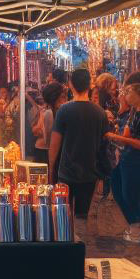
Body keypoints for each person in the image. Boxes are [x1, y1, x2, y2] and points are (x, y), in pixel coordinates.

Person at [49, 69, 109, 220]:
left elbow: (55, 143)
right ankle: (82, 241)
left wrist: (51, 168)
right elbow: (104, 145)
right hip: (90, 171)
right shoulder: (100, 113)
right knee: (82, 215)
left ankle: (68, 241)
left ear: (71, 85)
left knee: (63, 214)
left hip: (67, 171)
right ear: (89, 85)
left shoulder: (64, 110)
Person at [106, 82, 140, 244]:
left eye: (128, 92)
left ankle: (136, 229)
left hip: (137, 160)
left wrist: (117, 138)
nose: (125, 95)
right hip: (126, 158)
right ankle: (134, 224)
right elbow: (127, 134)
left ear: (138, 94)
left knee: (130, 195)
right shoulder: (134, 112)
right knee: (117, 188)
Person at [32, 83, 61, 164]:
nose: (64, 99)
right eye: (62, 97)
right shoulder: (48, 113)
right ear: (55, 98)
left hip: (44, 150)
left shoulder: (47, 111)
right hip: (44, 152)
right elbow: (45, 137)